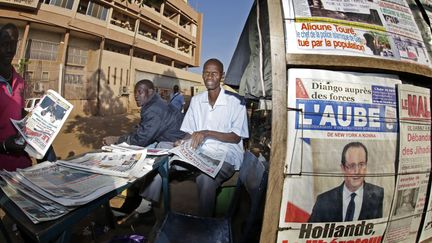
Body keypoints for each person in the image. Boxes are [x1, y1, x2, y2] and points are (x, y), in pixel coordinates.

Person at [141, 58, 249, 217]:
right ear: (202, 75)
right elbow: (190, 132)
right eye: (206, 73)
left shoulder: (236, 102)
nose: (210, 77)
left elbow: (235, 137)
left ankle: (203, 224)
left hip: (226, 154)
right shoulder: (197, 101)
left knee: (206, 180)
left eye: (214, 73)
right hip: (199, 151)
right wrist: (182, 141)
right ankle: (147, 203)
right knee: (162, 153)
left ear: (222, 76)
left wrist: (207, 132)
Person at [308, 142, 384, 222]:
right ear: (343, 168)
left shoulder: (378, 194)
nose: (357, 171)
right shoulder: (323, 200)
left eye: (361, 164)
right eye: (352, 166)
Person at [102, 79, 185, 148]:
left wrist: (116, 140)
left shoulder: (153, 109)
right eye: (135, 92)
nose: (136, 96)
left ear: (150, 92)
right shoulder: (157, 101)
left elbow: (141, 139)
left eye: (140, 92)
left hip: (177, 142)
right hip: (176, 137)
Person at [0, 23, 32, 171]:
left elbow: (18, 113)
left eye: (13, 43)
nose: (9, 49)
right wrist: (5, 146)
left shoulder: (19, 80)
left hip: (23, 167)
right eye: (4, 43)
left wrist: (36, 121)